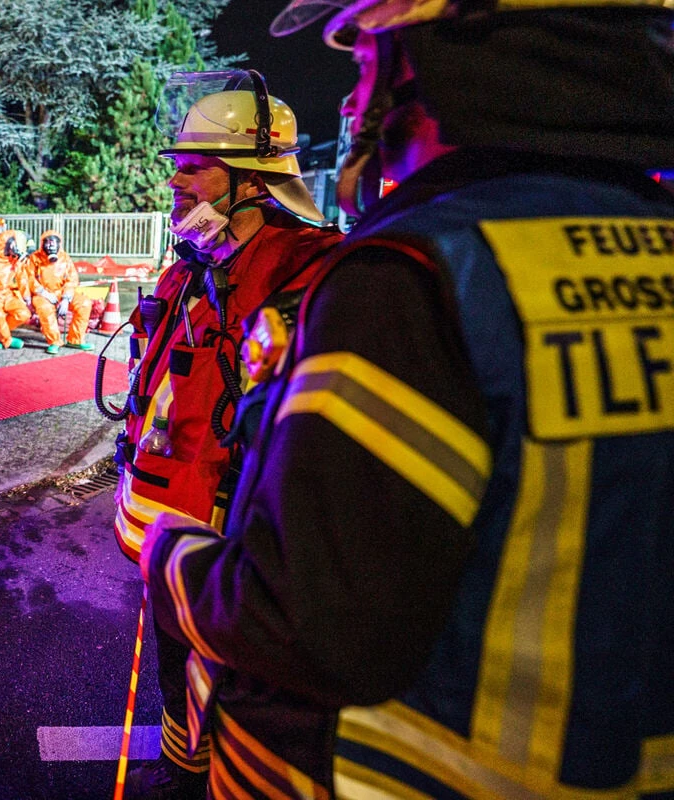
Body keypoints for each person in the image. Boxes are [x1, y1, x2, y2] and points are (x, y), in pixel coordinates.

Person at [142, 2, 674, 798]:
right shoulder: (646, 237)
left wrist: (170, 558)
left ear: (433, 62)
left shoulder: (409, 273)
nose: (356, 104)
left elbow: (315, 625)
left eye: (366, 65)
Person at [114, 70, 343, 799]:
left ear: (253, 179)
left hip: (241, 557)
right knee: (177, 698)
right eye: (176, 167)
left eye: (194, 168)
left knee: (239, 723)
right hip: (174, 546)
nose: (177, 183)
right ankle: (180, 763)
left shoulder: (311, 274)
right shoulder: (195, 267)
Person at [21, 230, 93, 354]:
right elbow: (29, 278)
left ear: (59, 243)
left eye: (54, 241)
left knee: (84, 303)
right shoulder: (34, 258)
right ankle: (54, 341)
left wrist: (66, 298)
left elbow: (72, 279)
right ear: (42, 243)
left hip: (62, 293)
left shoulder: (65, 257)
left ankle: (75, 340)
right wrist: (43, 293)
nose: (51, 245)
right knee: (45, 309)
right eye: (48, 242)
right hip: (42, 294)